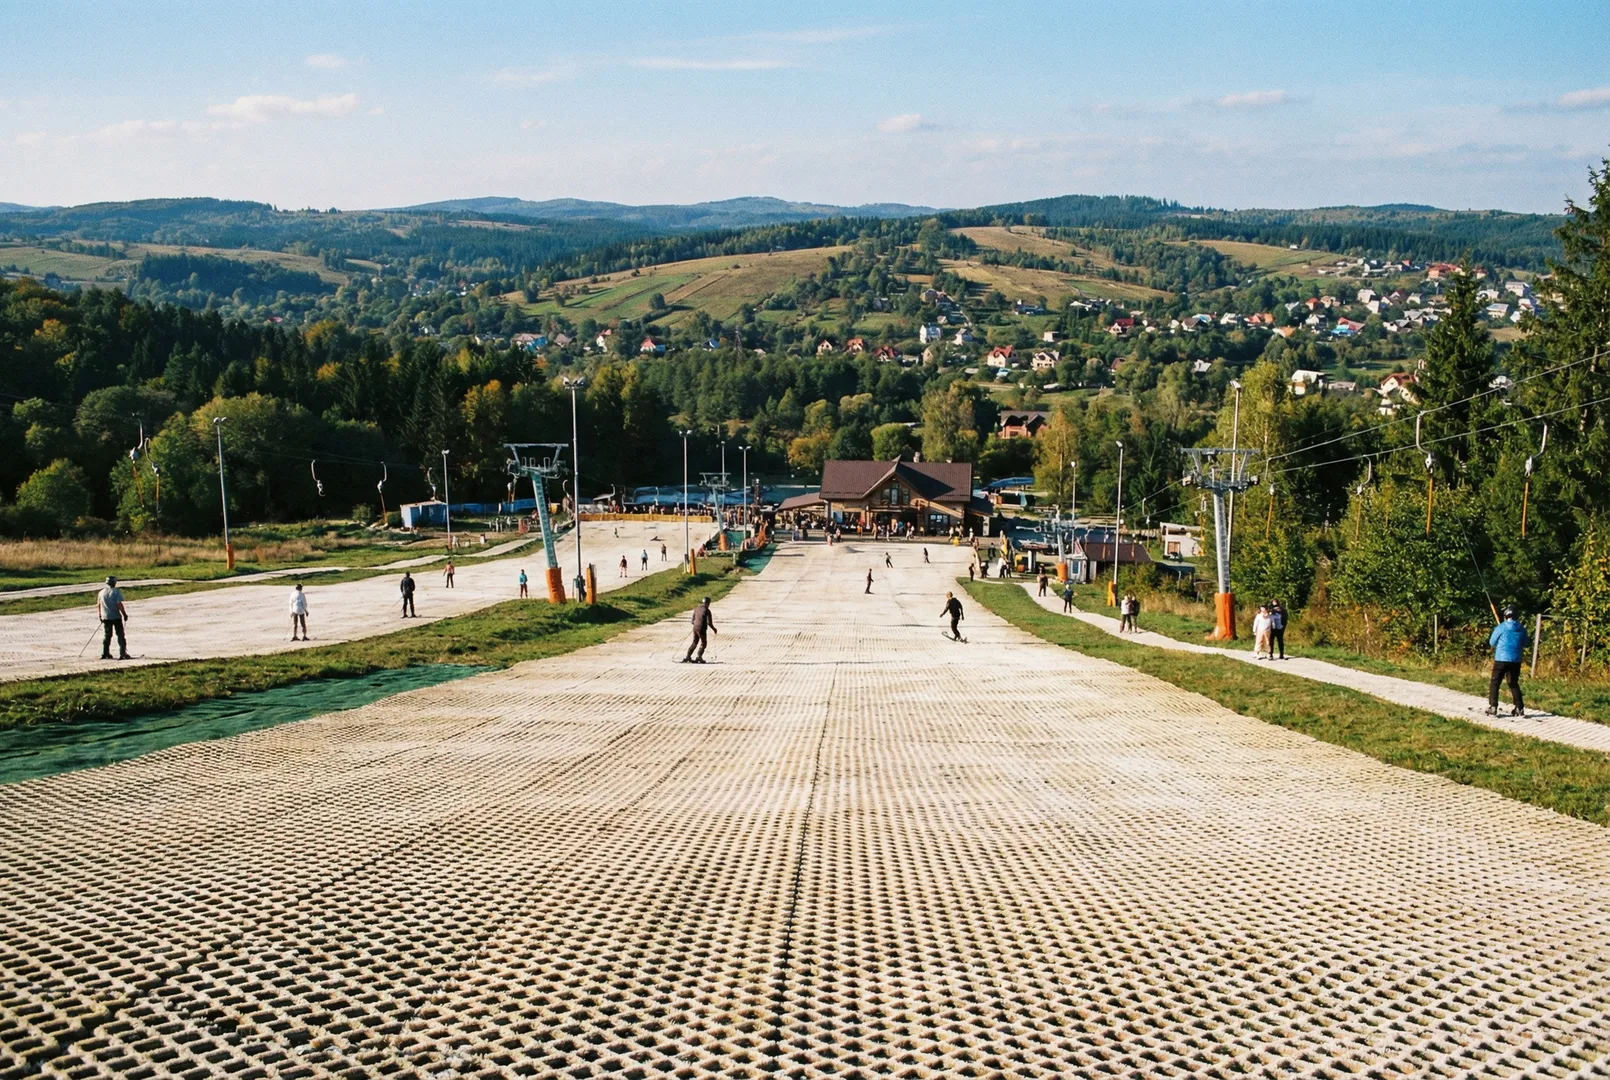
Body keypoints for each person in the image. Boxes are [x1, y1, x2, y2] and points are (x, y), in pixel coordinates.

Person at [1487, 606, 1529, 717]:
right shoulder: (1522, 628)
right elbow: (1526, 643)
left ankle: (1493, 707)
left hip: (1501, 659)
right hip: (1516, 660)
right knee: (1513, 683)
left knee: (1495, 682)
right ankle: (1519, 708)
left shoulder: (1501, 627)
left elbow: (1491, 642)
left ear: (1505, 616)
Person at [95, 575, 129, 660]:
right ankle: (122, 653)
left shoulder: (101, 592)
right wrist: (124, 614)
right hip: (116, 616)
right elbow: (119, 604)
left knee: (107, 635)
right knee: (120, 635)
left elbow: (98, 605)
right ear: (114, 583)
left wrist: (100, 615)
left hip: (105, 617)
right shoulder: (116, 592)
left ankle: (105, 653)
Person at [683, 596, 718, 663]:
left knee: (695, 642)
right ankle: (699, 657)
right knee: (703, 643)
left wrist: (696, 626)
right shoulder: (707, 610)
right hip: (702, 628)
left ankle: (688, 656)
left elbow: (692, 621)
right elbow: (709, 623)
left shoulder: (696, 609)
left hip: (695, 627)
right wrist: (714, 629)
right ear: (708, 603)